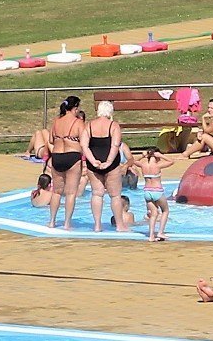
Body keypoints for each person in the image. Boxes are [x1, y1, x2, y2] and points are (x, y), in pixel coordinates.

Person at [81, 101, 130, 234]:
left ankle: (97, 225)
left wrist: (93, 161)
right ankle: (119, 225)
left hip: (93, 164)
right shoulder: (113, 126)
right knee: (115, 195)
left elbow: (84, 146)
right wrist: (108, 162)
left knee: (97, 194)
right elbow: (115, 146)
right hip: (111, 163)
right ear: (110, 112)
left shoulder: (89, 126)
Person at [45, 96, 87, 227]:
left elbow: (51, 140)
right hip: (72, 156)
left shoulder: (56, 121)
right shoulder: (78, 123)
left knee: (56, 192)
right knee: (70, 193)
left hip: (57, 156)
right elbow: (84, 141)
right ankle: (67, 223)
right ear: (75, 108)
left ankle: (52, 221)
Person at [135, 146, 172, 241]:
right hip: (157, 191)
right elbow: (171, 161)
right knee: (165, 211)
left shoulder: (143, 165)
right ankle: (160, 232)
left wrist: (142, 156)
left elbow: (133, 161)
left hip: (147, 192)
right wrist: (161, 155)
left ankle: (151, 235)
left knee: (153, 214)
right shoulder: (157, 166)